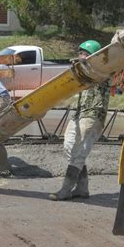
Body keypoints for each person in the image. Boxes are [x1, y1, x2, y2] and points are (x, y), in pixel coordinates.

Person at [49, 40, 110, 201]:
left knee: (79, 152)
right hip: (78, 114)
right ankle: (82, 188)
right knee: (69, 147)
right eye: (80, 52)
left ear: (93, 56)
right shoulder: (80, 72)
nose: (80, 55)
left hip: (93, 115)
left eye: (84, 53)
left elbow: (107, 71)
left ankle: (66, 189)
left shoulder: (102, 70)